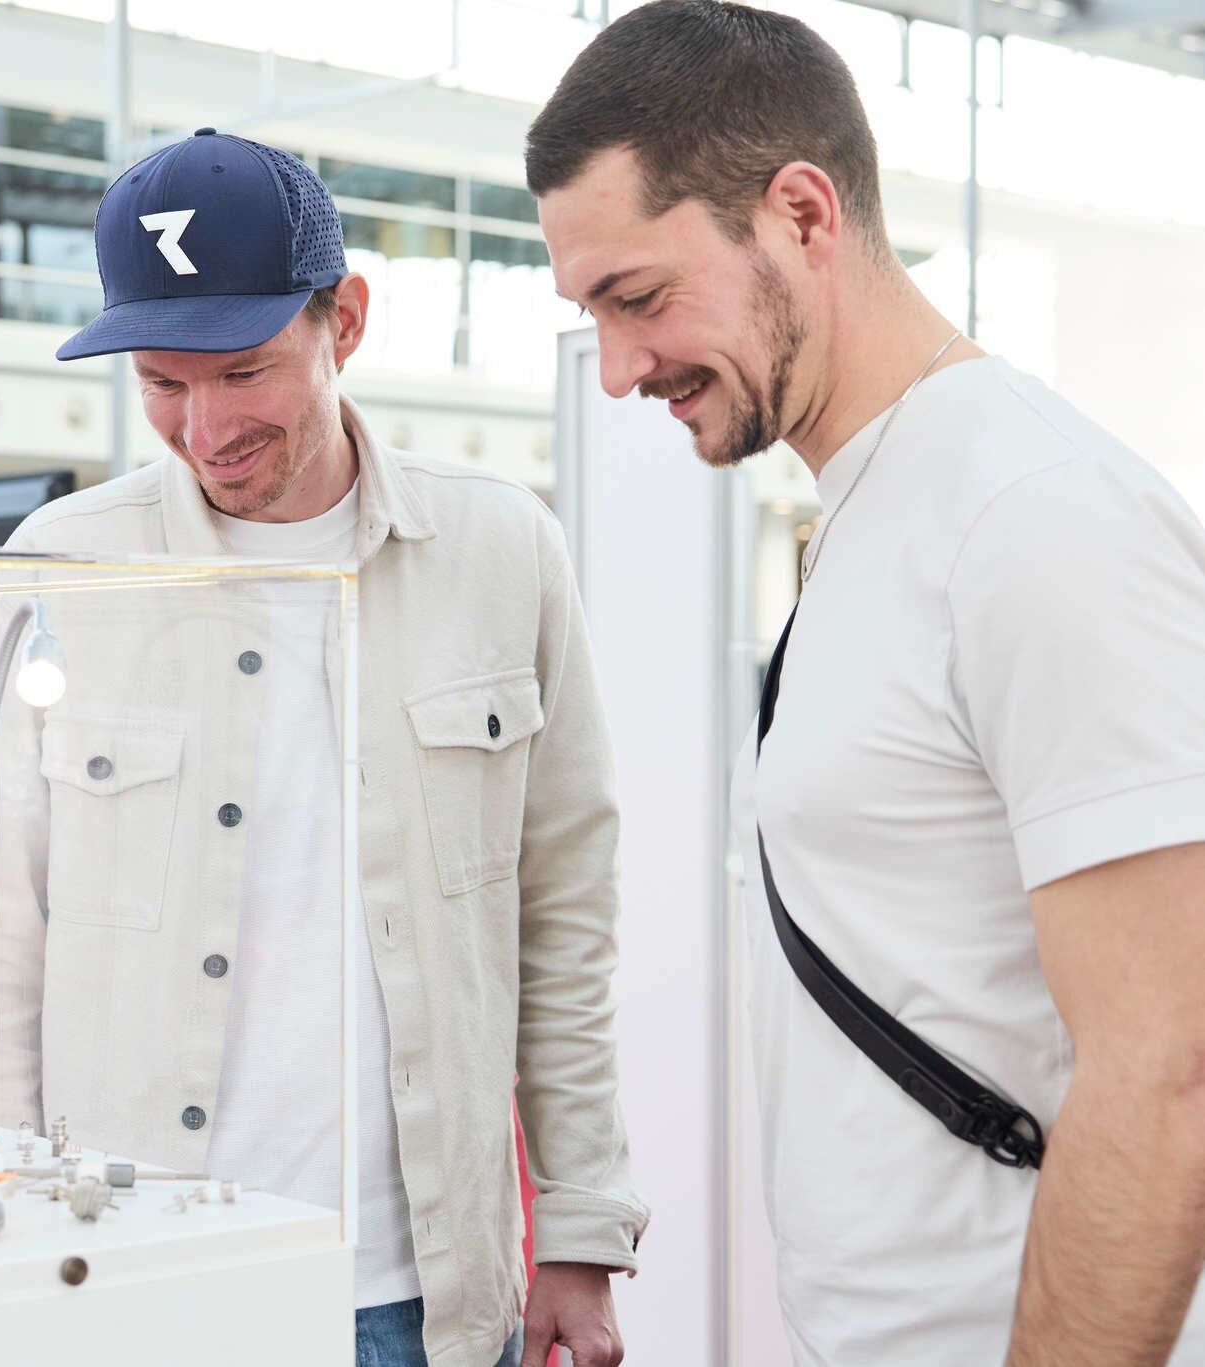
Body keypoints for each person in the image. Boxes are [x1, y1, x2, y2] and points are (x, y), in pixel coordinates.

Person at [526, 4, 1205, 1363]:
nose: (614, 368)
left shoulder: (1035, 516)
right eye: (588, 311)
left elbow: (1170, 1065)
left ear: (800, 213)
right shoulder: (872, 510)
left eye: (639, 297)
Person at [0, 128, 647, 1367]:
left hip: (412, 1293)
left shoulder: (501, 550)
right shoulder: (59, 564)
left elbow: (562, 917)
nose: (203, 427)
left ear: (345, 321)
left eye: (242, 371)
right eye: (162, 381)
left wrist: (578, 1227)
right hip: (125, 1270)